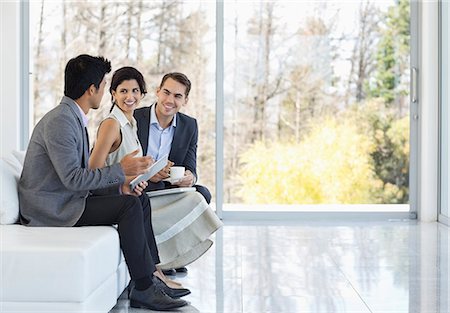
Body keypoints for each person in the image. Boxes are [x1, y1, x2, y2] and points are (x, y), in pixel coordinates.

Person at [18, 55, 188, 311]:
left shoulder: (72, 117)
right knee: (128, 206)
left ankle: (150, 277)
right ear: (92, 89)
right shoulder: (60, 121)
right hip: (54, 209)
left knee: (135, 198)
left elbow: (80, 177)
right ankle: (143, 288)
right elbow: (75, 179)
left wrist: (120, 185)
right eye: (105, 84)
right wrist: (121, 171)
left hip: (67, 198)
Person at [134, 72, 222, 275]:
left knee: (203, 193)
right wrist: (149, 172)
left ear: (185, 100)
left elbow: (191, 164)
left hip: (169, 188)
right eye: (166, 92)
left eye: (177, 96)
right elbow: (124, 161)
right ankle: (164, 259)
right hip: (143, 186)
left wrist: (189, 177)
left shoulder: (189, 125)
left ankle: (175, 254)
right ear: (158, 92)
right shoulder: (137, 118)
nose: (170, 100)